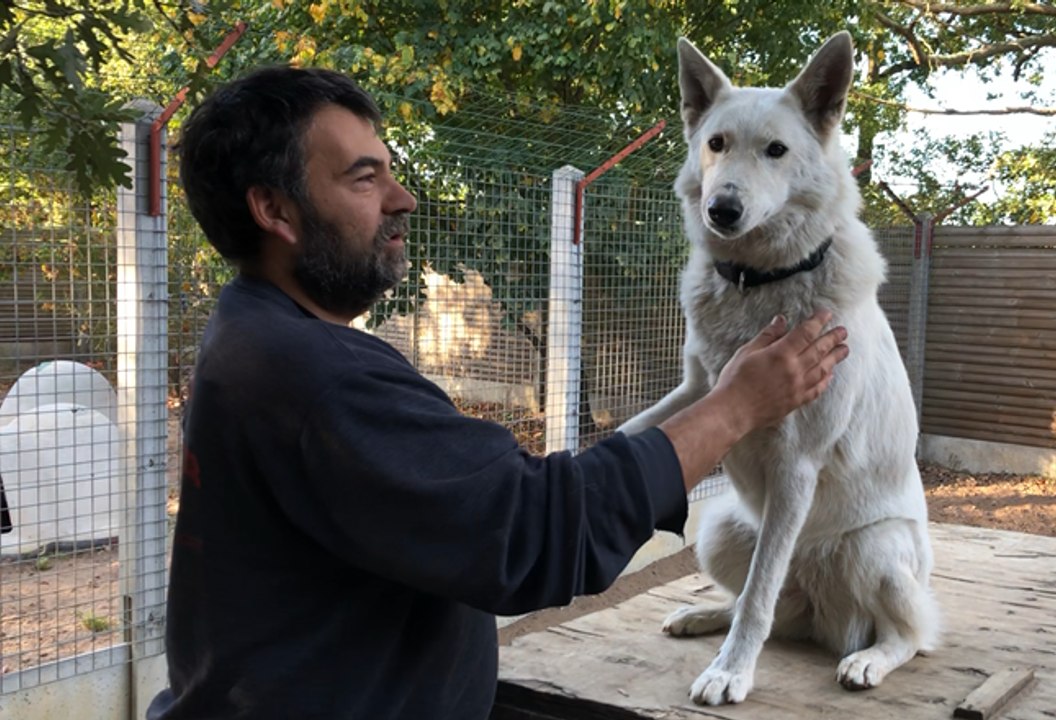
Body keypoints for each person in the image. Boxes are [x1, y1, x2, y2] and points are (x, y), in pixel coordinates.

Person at [147, 66, 849, 720]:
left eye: (390, 172)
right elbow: (535, 534)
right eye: (365, 180)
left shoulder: (249, 333)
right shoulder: (317, 380)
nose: (403, 198)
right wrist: (734, 408)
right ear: (276, 210)